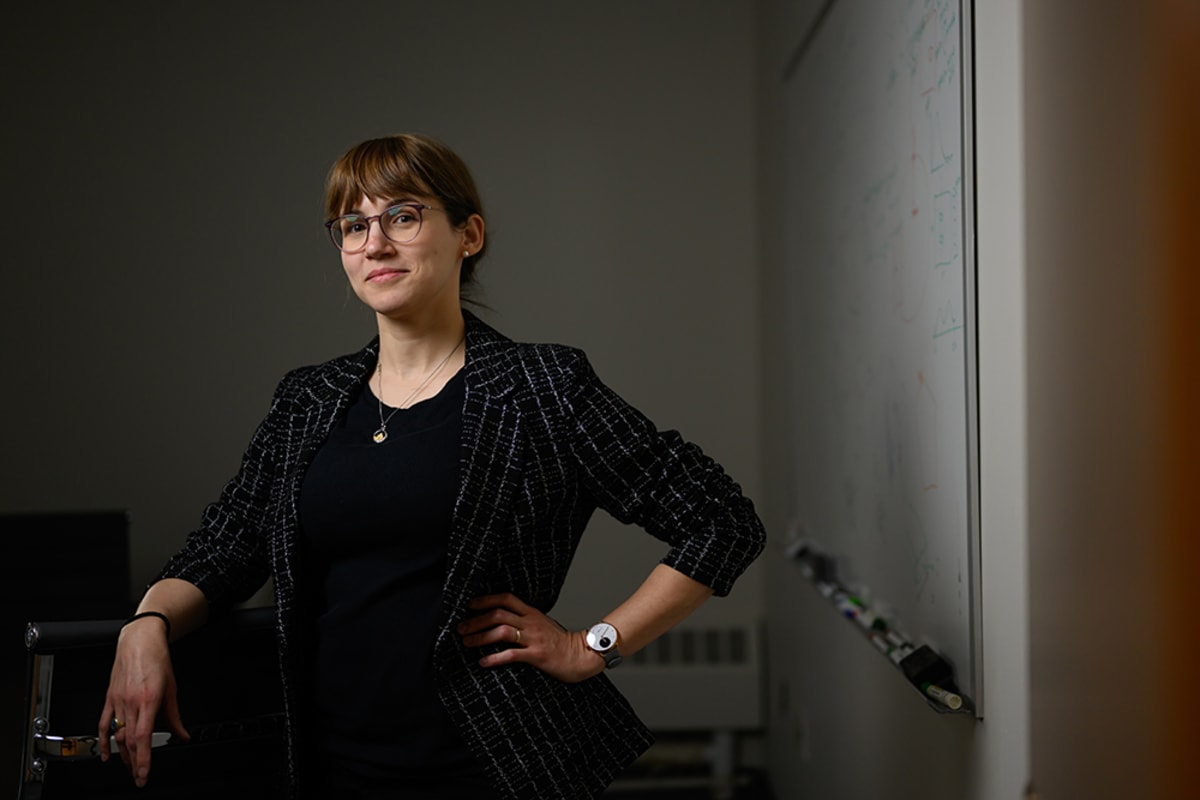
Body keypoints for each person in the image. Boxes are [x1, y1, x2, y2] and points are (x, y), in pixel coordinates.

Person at [98, 133, 765, 800]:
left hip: (490, 767)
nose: (374, 244)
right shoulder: (307, 399)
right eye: (352, 225)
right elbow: (226, 544)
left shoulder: (543, 388)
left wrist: (591, 645)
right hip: (327, 763)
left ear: (467, 235)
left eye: (403, 216)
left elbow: (722, 521)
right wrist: (146, 623)